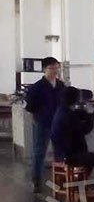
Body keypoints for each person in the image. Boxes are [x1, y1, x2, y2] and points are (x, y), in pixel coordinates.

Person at [50, 86, 94, 185]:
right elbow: (86, 129)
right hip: (71, 156)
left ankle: (79, 180)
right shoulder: (68, 116)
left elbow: (78, 114)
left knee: (90, 160)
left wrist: (88, 112)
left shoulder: (61, 111)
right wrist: (90, 114)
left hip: (61, 153)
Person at [24, 57, 65, 193]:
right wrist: (40, 114)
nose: (55, 71)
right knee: (39, 153)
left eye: (57, 68)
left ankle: (60, 180)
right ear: (44, 69)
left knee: (59, 153)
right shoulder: (36, 87)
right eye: (51, 68)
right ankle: (36, 181)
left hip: (58, 124)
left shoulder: (61, 86)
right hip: (43, 123)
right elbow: (30, 106)